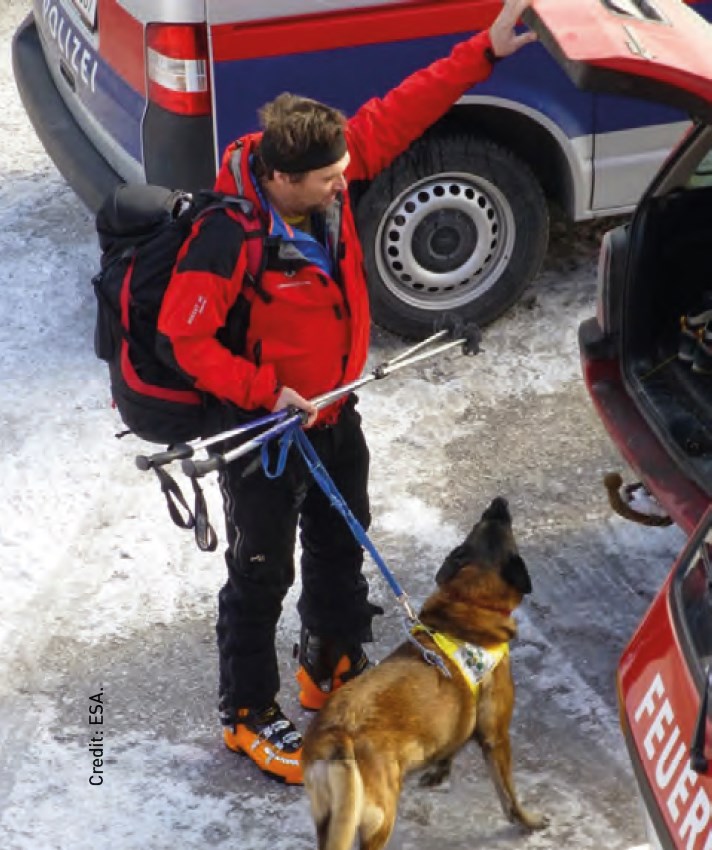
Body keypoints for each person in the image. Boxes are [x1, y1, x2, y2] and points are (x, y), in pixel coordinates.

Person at [158, 0, 537, 786]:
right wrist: (267, 391)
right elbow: (183, 339)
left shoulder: (328, 171)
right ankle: (246, 715)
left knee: (341, 537)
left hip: (334, 408)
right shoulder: (229, 235)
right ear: (281, 177)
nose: (345, 185)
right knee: (262, 570)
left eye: (343, 173)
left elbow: (405, 107)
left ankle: (329, 662)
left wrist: (487, 50)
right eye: (330, 180)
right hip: (265, 431)